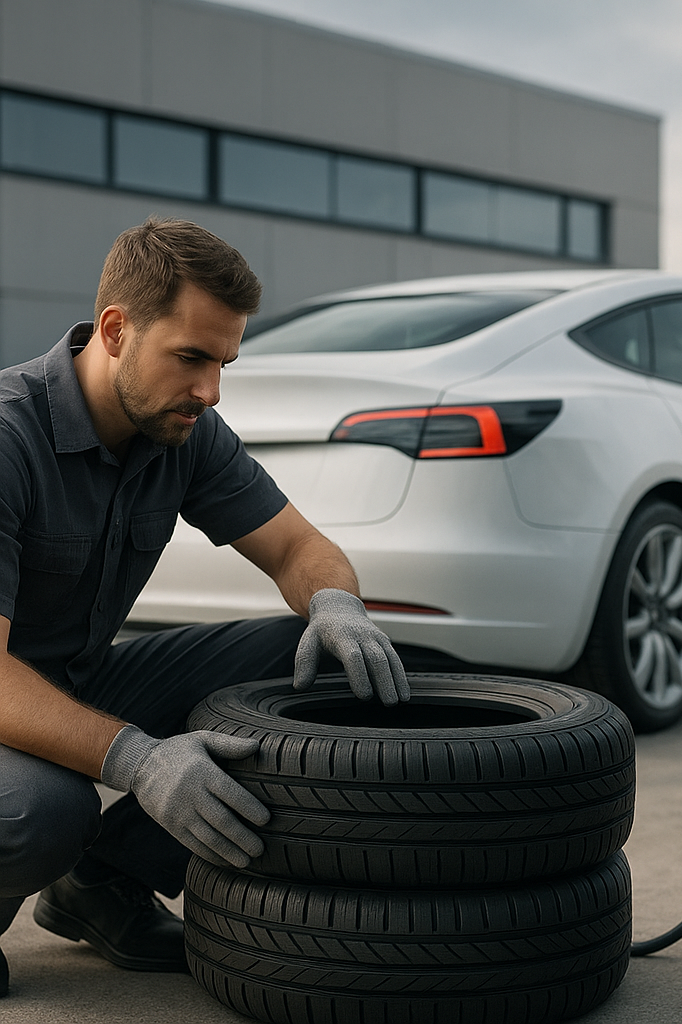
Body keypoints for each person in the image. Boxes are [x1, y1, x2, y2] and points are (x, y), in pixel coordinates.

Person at [0, 217, 410, 997]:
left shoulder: (183, 431)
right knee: (43, 810)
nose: (210, 390)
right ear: (116, 331)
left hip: (75, 682)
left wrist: (336, 604)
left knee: (308, 662)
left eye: (223, 362)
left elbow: (298, 548)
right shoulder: (8, 436)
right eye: (191, 358)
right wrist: (139, 759)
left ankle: (101, 884)